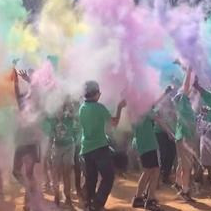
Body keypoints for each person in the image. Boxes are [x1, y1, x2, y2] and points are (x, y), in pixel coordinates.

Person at [79, 81, 126, 211]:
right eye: (99, 92)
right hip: (99, 148)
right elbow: (114, 123)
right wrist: (120, 107)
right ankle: (97, 204)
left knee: (91, 179)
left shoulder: (82, 107)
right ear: (95, 94)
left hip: (86, 149)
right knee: (108, 177)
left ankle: (89, 204)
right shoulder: (99, 108)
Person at [12, 67, 42, 211]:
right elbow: (17, 93)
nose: (25, 99)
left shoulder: (36, 106)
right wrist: (16, 79)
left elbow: (37, 92)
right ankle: (32, 191)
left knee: (29, 173)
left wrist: (29, 80)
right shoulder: (21, 105)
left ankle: (28, 202)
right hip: (21, 144)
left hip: (31, 144)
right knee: (16, 171)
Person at [131, 108, 164, 211]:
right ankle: (150, 200)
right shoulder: (145, 109)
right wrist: (170, 133)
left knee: (147, 171)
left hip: (141, 145)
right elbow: (158, 119)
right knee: (156, 170)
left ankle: (138, 198)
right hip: (151, 145)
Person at [173, 67, 197, 202]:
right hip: (184, 138)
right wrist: (188, 70)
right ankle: (185, 191)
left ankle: (178, 183)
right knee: (186, 167)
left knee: (183, 164)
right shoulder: (183, 101)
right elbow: (186, 86)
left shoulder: (185, 104)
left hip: (184, 137)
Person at [51, 99, 80, 207]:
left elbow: (76, 115)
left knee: (66, 173)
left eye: (60, 109)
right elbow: (50, 135)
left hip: (68, 147)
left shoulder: (70, 117)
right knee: (56, 173)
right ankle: (56, 196)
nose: (58, 111)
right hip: (57, 147)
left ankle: (67, 198)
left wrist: (67, 100)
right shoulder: (52, 120)